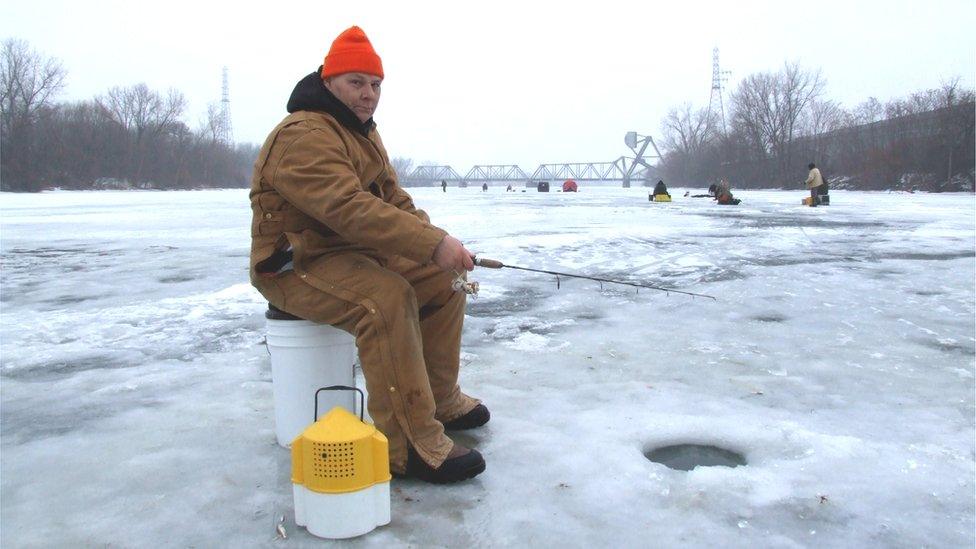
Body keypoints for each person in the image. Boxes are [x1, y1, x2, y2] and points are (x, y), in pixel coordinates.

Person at [249, 26, 487, 484]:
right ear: (329, 81)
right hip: (294, 264)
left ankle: (439, 399)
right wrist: (431, 245)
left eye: (375, 85)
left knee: (441, 281)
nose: (369, 94)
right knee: (385, 299)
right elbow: (348, 208)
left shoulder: (362, 134)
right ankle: (410, 446)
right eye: (356, 82)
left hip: (349, 254)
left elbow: (392, 200)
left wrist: (439, 245)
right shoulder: (304, 134)